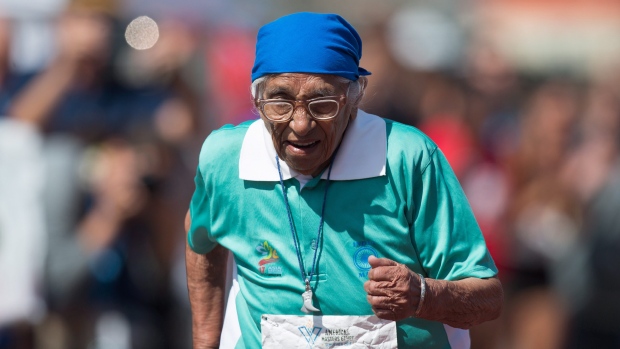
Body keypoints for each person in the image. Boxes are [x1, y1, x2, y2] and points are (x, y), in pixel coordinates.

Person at [186, 12, 503, 349]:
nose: (301, 123)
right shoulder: (225, 159)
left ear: (355, 97)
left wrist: (422, 296)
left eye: (322, 104)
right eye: (279, 103)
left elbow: (488, 299)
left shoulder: (406, 158)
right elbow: (201, 239)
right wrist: (206, 340)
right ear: (256, 102)